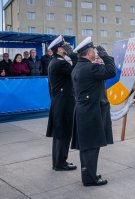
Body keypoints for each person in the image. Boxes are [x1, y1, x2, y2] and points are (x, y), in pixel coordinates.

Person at [71, 37, 116, 186]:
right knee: (91, 146)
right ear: (88, 53)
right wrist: (105, 55)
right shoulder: (90, 68)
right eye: (94, 52)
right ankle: (90, 179)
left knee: (86, 147)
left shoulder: (77, 67)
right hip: (91, 112)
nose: (95, 54)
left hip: (83, 110)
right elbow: (111, 71)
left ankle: (88, 175)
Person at [46, 35, 77, 171]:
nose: (67, 48)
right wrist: (73, 55)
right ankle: (60, 163)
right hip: (64, 103)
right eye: (65, 47)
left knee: (61, 133)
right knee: (63, 133)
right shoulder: (60, 63)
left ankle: (59, 162)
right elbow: (76, 69)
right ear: (59, 49)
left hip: (59, 101)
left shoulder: (55, 61)